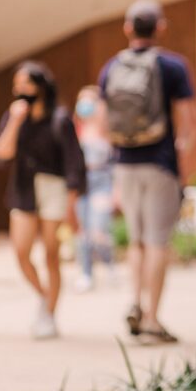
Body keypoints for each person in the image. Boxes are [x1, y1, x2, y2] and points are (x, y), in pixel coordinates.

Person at [100, 0, 196, 344]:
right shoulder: (173, 66)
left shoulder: (111, 67)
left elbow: (102, 124)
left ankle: (136, 302)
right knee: (158, 242)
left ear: (127, 28)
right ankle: (153, 320)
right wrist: (184, 170)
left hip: (125, 164)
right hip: (160, 163)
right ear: (161, 27)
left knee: (138, 241)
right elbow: (187, 124)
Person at [0, 61, 85, 339]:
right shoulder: (14, 116)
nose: (21, 90)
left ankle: (49, 314)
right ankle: (45, 297)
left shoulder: (60, 118)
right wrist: (16, 121)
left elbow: (73, 164)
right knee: (21, 251)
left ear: (41, 86)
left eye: (27, 84)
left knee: (51, 254)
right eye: (17, 85)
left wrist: (72, 204)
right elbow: (1, 155)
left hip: (54, 188)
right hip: (23, 188)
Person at [72, 86, 116, 292]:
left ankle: (109, 265)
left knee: (99, 230)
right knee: (83, 232)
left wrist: (117, 190)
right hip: (82, 183)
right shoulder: (75, 129)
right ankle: (86, 273)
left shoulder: (106, 130)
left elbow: (115, 163)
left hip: (102, 180)